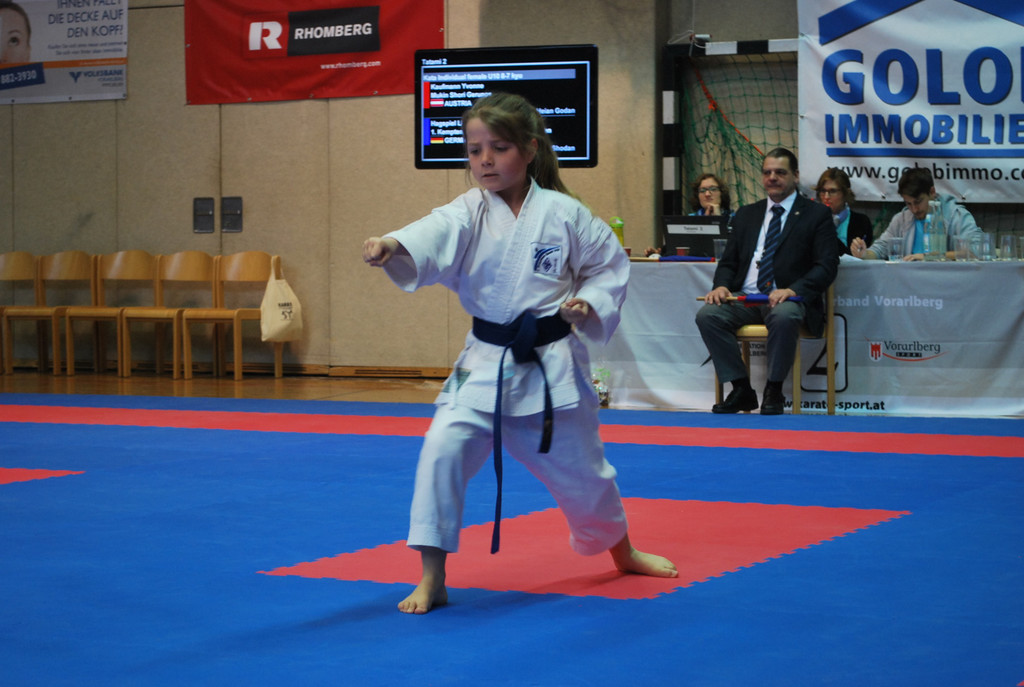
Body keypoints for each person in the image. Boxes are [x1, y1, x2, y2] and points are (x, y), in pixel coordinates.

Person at [362, 92, 677, 615]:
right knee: (440, 451)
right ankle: (433, 576)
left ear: (530, 150)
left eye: (499, 148)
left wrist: (588, 302)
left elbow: (607, 268)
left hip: (550, 367)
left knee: (584, 473)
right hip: (484, 363)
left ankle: (623, 553)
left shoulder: (565, 213)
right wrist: (394, 244)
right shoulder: (468, 211)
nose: (484, 160)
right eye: (474, 150)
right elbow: (432, 230)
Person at [695, 147, 839, 415]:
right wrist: (721, 286)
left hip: (787, 299)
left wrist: (793, 289)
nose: (772, 178)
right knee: (708, 315)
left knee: (784, 315)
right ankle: (741, 389)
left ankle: (774, 389)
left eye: (780, 172)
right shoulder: (747, 214)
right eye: (767, 172)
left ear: (796, 176)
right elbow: (728, 262)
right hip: (745, 298)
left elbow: (827, 265)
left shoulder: (815, 214)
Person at [854, 167, 981, 261]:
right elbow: (880, 249)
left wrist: (928, 257)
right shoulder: (901, 219)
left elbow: (977, 251)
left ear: (932, 192)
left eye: (918, 202)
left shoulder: (956, 216)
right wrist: (864, 254)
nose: (914, 209)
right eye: (908, 204)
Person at [644, 173, 732, 256]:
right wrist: (658, 254)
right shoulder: (690, 220)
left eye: (713, 189)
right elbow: (677, 248)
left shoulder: (734, 220)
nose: (707, 194)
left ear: (722, 193)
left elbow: (731, 250)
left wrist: (718, 219)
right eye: (702, 190)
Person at [815, 168, 873, 256]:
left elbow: (853, 256)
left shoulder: (861, 222)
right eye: (823, 191)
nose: (826, 197)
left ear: (845, 193)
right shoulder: (812, 221)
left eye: (832, 191)